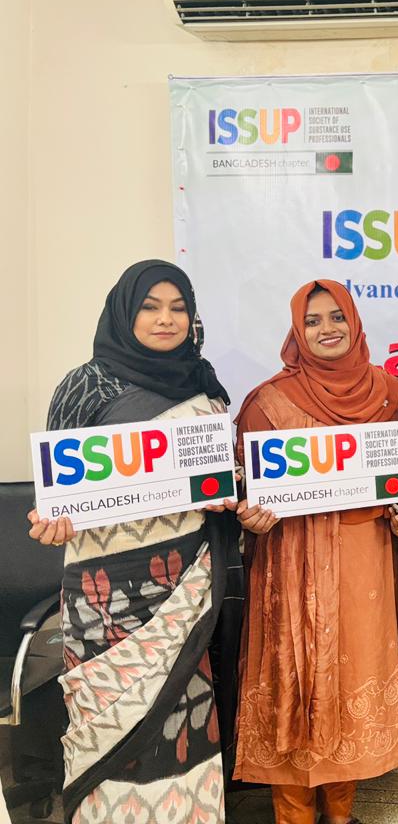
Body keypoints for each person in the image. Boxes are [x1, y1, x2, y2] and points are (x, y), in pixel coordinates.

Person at [28, 260, 241, 822]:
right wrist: (52, 519)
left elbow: (215, 481)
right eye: (150, 307)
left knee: (182, 721)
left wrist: (229, 496)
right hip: (105, 595)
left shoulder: (204, 384)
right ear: (124, 313)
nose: (165, 319)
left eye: (178, 308)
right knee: (108, 729)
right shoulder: (86, 384)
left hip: (184, 592)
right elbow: (57, 493)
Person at [232, 280, 398, 824]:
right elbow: (244, 485)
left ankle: (340, 815)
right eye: (312, 321)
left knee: (351, 675)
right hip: (291, 560)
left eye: (337, 316)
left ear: (354, 322)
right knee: (295, 675)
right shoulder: (268, 402)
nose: (327, 329)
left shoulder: (390, 392)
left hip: (363, 558)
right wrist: (248, 512)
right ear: (297, 330)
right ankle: (292, 817)